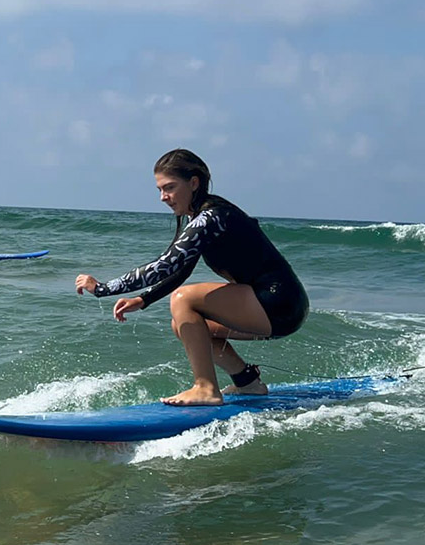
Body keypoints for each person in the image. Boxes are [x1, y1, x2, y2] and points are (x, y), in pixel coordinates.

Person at [75, 149, 309, 406]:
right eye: (160, 190)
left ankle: (205, 388)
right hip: (275, 306)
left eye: (170, 187)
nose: (164, 197)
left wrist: (101, 288)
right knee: (185, 326)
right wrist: (143, 299)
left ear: (194, 183)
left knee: (183, 299)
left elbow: (164, 265)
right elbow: (181, 269)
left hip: (277, 301)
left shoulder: (211, 217)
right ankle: (248, 382)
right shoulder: (200, 218)